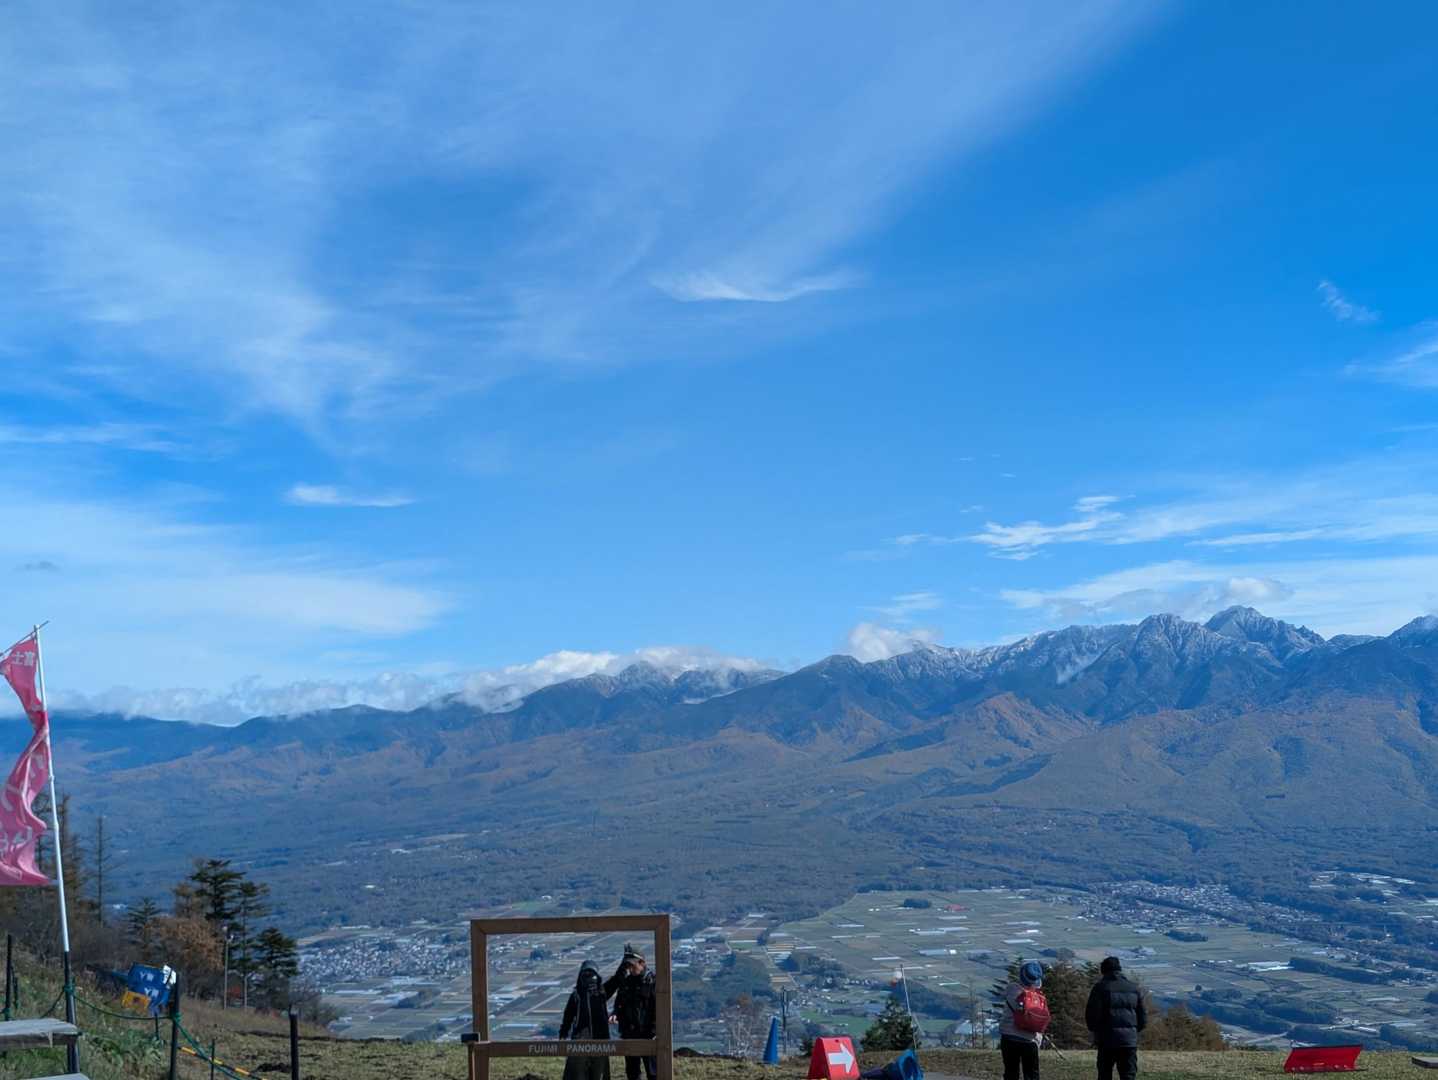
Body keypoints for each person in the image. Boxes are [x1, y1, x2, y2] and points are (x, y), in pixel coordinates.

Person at [1085, 956, 1147, 1080]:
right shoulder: (1133, 988)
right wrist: (1133, 1032)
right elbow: (1142, 1017)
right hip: (1128, 1041)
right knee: (1128, 1075)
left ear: (1104, 971)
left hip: (1107, 1039)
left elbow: (1092, 1015)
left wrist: (1095, 1032)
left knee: (1105, 1074)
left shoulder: (1100, 988)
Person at [605, 943, 657, 1080]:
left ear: (642, 963)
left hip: (649, 1036)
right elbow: (619, 1002)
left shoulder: (653, 982)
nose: (630, 968)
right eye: (628, 965)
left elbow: (659, 1009)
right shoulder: (626, 983)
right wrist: (615, 1013)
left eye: (633, 965)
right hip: (630, 1034)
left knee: (654, 1073)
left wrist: (655, 1032)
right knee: (632, 1073)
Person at [560, 962, 612, 1080]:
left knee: (598, 1073)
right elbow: (568, 1016)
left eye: (591, 974)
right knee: (578, 1074)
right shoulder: (576, 996)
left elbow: (616, 980)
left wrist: (624, 966)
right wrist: (563, 1034)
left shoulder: (602, 993)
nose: (589, 978)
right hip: (581, 1042)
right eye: (586, 975)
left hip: (600, 1041)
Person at [998, 960, 1045, 1080]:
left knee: (1011, 1073)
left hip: (1009, 1037)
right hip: (1030, 1040)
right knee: (1032, 1075)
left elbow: (1004, 995)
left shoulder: (1012, 989)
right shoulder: (1038, 998)